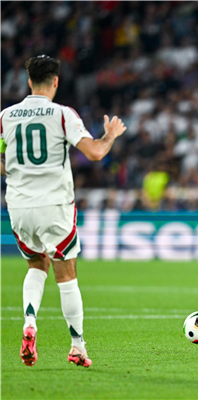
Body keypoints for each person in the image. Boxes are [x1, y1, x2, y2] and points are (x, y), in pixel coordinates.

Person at [0, 55, 127, 368]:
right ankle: (77, 346)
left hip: (18, 205)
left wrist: (14, 171)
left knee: (36, 264)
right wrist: (110, 135)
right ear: (55, 81)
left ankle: (30, 323)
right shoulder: (62, 114)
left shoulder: (6, 116)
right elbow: (95, 153)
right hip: (55, 205)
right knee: (66, 275)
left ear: (28, 81)